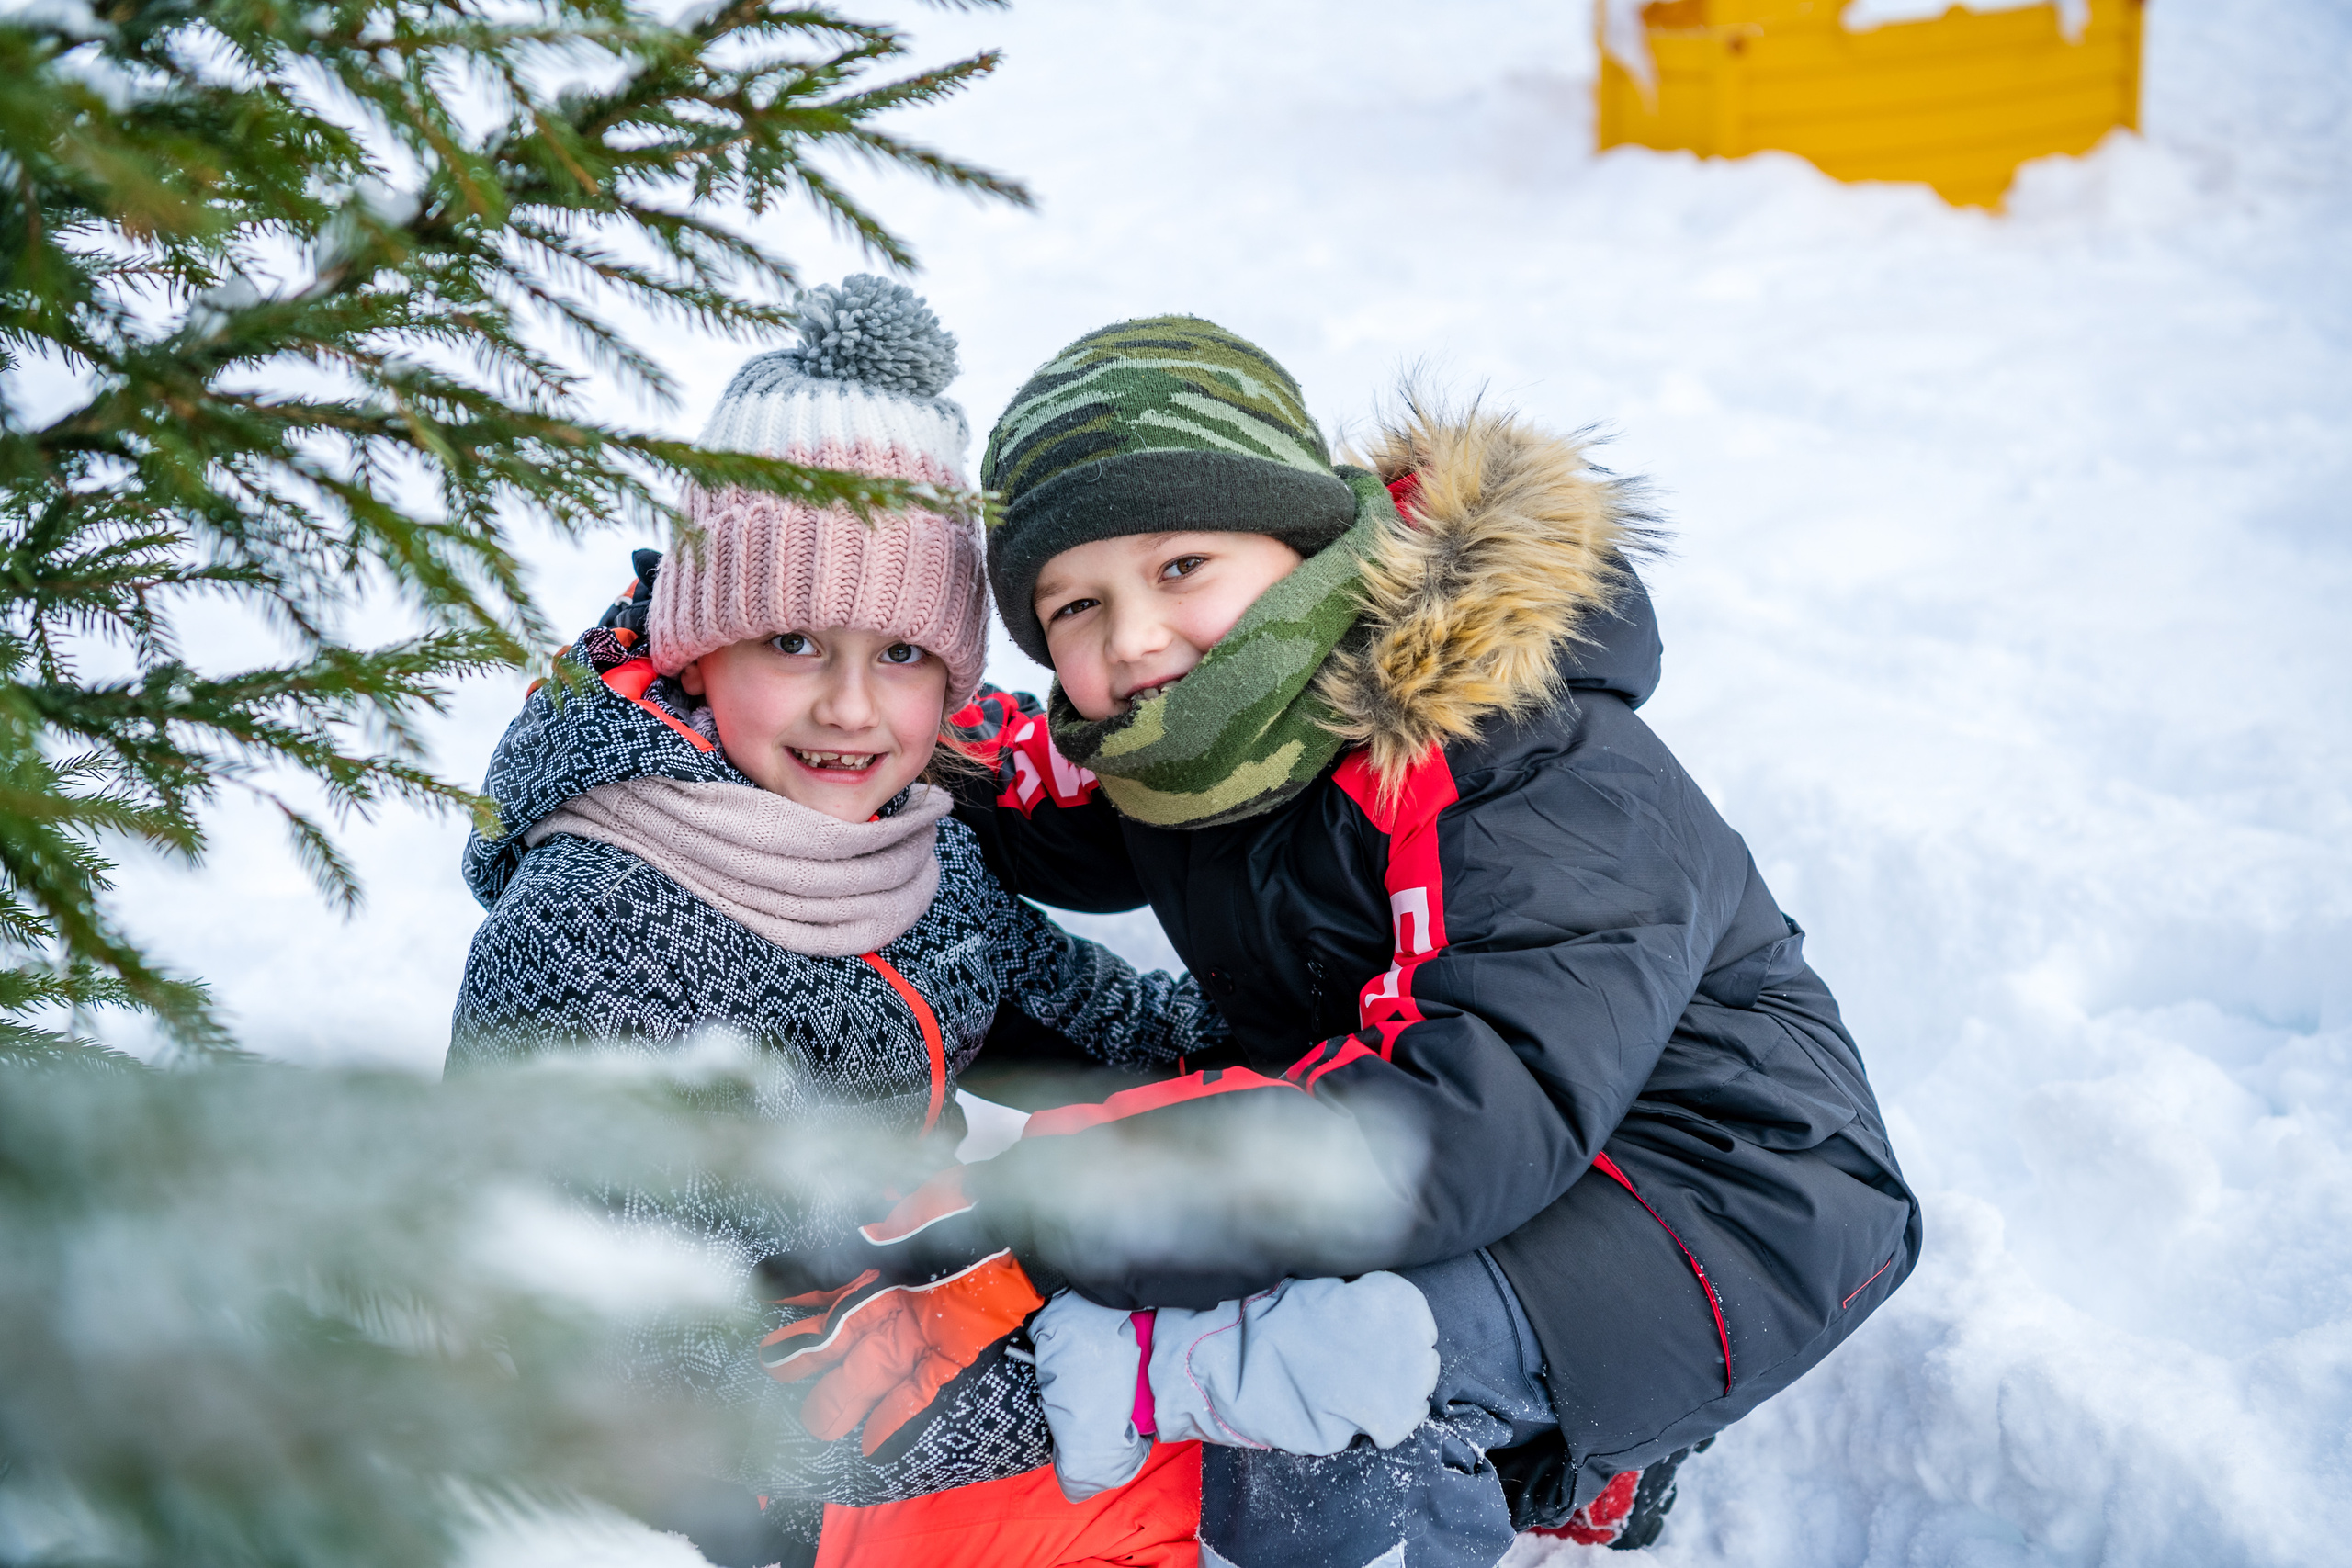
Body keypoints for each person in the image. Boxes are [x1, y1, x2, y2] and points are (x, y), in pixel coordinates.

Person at [769, 316, 1925, 1566]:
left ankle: (1497, 1434)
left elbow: (1467, 1112)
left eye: (1179, 568)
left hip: (1725, 1197)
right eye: (1075, 608)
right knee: (1249, 1286)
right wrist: (786, 695)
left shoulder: (1517, 751)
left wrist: (1085, 1191)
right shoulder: (1205, 740)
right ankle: (1565, 1460)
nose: (1135, 640)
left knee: (1318, 1385)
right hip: (1511, 1167)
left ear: (1306, 542)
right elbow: (1005, 786)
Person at [445, 281, 1225, 1568]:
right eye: (796, 639)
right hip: (759, 1470)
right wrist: (1106, 1388)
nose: (854, 711)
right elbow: (633, 1361)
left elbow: (1109, 1023)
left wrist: (1364, 1053)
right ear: (699, 648)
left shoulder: (900, 848)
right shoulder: (597, 928)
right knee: (1222, 1468)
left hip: (905, 1327)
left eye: (905, 655)